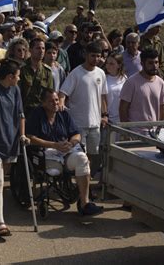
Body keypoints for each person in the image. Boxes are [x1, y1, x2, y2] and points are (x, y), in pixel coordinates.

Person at [26, 89, 103, 216]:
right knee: (54, 172)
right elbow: (31, 138)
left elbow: (76, 134)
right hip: (46, 153)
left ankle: (85, 203)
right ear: (43, 103)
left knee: (82, 159)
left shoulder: (63, 114)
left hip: (66, 150)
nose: (55, 103)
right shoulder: (36, 115)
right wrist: (54, 145)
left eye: (56, 100)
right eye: (51, 101)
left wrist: (71, 143)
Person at [0, 59, 29, 237]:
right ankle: (0, 223)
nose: (19, 79)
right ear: (10, 77)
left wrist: (22, 135)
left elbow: (20, 114)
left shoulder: (15, 90)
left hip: (11, 141)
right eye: (17, 76)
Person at [59, 42, 108, 175]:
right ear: (86, 55)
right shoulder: (76, 73)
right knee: (81, 155)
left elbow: (103, 96)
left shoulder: (101, 73)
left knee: (93, 154)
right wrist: (61, 103)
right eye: (93, 56)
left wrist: (104, 115)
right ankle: (79, 180)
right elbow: (63, 92)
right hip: (78, 124)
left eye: (98, 56)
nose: (96, 59)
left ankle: (87, 178)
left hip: (95, 123)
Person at [119, 48, 164, 135]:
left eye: (156, 62)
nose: (154, 66)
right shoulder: (131, 82)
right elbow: (123, 108)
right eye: (150, 63)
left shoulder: (161, 83)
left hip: (154, 132)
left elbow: (162, 107)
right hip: (135, 132)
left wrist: (160, 127)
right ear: (142, 63)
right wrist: (126, 131)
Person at [19, 37, 53, 117]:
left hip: (41, 113)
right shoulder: (21, 69)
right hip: (24, 112)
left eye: (43, 48)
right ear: (30, 50)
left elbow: (49, 94)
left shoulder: (47, 71)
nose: (41, 51)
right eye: (38, 48)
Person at [105, 53, 127, 124]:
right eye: (107, 63)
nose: (108, 66)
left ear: (119, 65)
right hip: (107, 120)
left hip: (121, 118)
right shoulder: (104, 78)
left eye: (111, 63)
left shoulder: (124, 78)